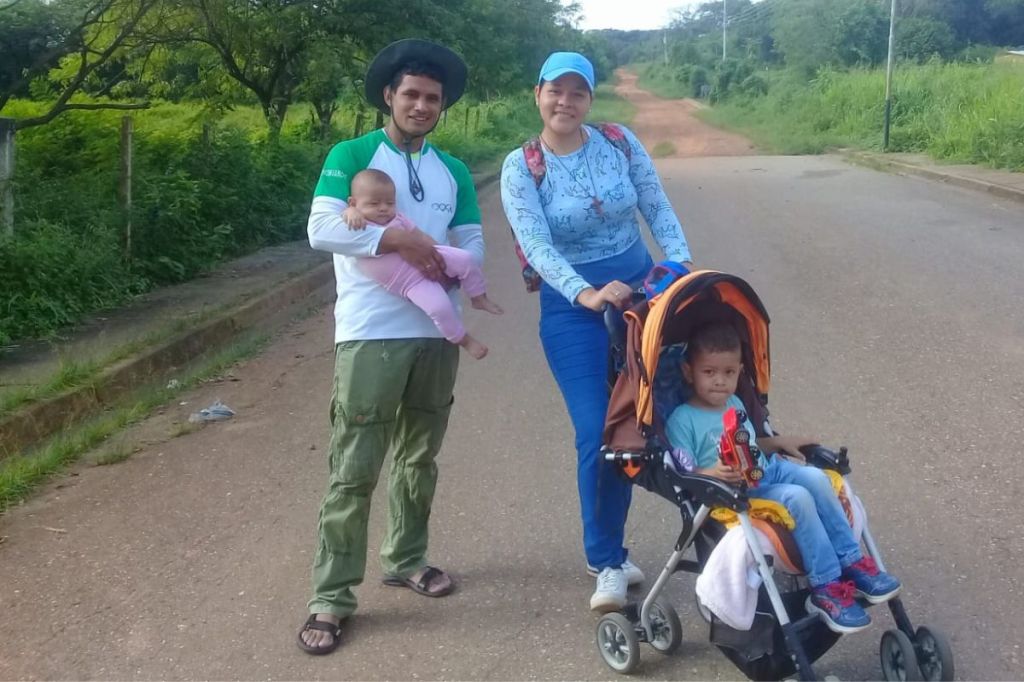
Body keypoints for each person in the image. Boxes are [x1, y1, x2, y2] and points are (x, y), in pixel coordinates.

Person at [297, 39, 485, 655]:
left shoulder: (451, 170)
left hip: (435, 334)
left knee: (419, 457)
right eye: (411, 94)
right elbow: (322, 229)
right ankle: (331, 596)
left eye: (433, 98)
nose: (422, 105)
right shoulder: (351, 154)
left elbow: (472, 242)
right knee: (353, 469)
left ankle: (407, 557)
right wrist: (399, 245)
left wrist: (454, 272)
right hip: (369, 333)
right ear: (389, 96)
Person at [500, 51, 695, 613]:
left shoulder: (619, 141)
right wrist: (584, 292)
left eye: (577, 92)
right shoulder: (523, 165)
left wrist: (678, 267)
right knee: (599, 431)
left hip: (643, 295)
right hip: (573, 308)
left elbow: (656, 207)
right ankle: (606, 560)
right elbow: (535, 243)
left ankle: (712, 528)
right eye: (555, 90)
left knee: (669, 414)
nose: (565, 102)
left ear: (589, 99)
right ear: (537, 93)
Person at [665, 322, 902, 634]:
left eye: (729, 373)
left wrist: (777, 441)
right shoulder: (683, 419)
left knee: (816, 478)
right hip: (732, 489)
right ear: (688, 371)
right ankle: (826, 586)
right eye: (709, 372)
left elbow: (749, 443)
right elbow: (681, 469)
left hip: (766, 468)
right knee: (797, 498)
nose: (720, 382)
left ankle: (852, 560)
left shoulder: (735, 404)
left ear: (739, 371)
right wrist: (711, 472)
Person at [343, 168, 503, 359]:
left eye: (390, 203)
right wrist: (350, 212)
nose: (383, 208)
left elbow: (420, 236)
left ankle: (478, 297)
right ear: (353, 202)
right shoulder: (358, 221)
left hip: (428, 255)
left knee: (465, 259)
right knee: (439, 307)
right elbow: (339, 222)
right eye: (374, 203)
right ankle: (465, 341)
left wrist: (440, 254)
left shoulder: (398, 218)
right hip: (409, 283)